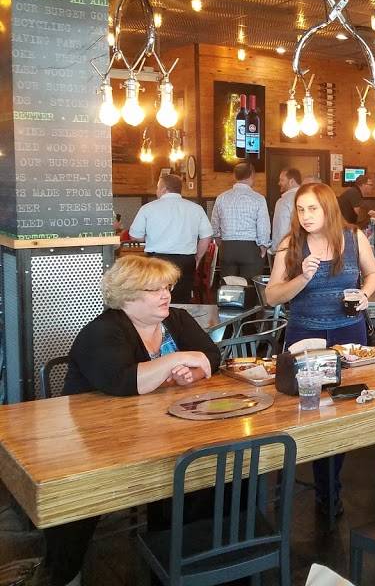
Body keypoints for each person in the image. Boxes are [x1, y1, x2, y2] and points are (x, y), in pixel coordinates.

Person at [41, 256, 221, 586]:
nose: (166, 294)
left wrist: (187, 375)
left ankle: (184, 557)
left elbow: (211, 357)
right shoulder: (103, 331)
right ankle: (63, 574)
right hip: (97, 440)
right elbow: (123, 381)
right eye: (154, 289)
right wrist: (179, 358)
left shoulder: (177, 319)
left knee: (210, 470)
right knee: (78, 497)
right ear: (126, 296)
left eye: (167, 286)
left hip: (161, 431)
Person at [265, 182, 375, 517]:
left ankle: (330, 486)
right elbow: (271, 296)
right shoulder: (290, 244)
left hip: (349, 332)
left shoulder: (353, 237)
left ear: (328, 208)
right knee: (311, 411)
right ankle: (326, 488)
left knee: (343, 410)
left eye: (312, 208)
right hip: (305, 336)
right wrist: (302, 278)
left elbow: (373, 272)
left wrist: (365, 294)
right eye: (300, 209)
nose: (305, 216)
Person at [127, 174, 212, 303]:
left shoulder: (148, 208)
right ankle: (180, 316)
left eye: (157, 188)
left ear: (163, 189)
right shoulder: (196, 209)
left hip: (157, 260)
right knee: (182, 300)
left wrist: (150, 237)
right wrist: (198, 258)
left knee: (156, 298)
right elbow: (206, 236)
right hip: (186, 261)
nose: (156, 191)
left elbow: (135, 236)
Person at [211, 162, 272, 280]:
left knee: (229, 286)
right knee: (250, 285)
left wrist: (218, 239)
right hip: (251, 248)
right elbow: (263, 226)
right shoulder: (258, 199)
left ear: (234, 176)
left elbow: (214, 223)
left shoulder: (221, 198)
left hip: (227, 247)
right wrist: (264, 245)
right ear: (252, 175)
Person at [271, 167, 302, 254]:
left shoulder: (283, 201)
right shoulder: (307, 196)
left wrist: (276, 250)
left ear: (291, 181)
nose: (279, 183)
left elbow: (280, 229)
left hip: (288, 250)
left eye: (282, 180)